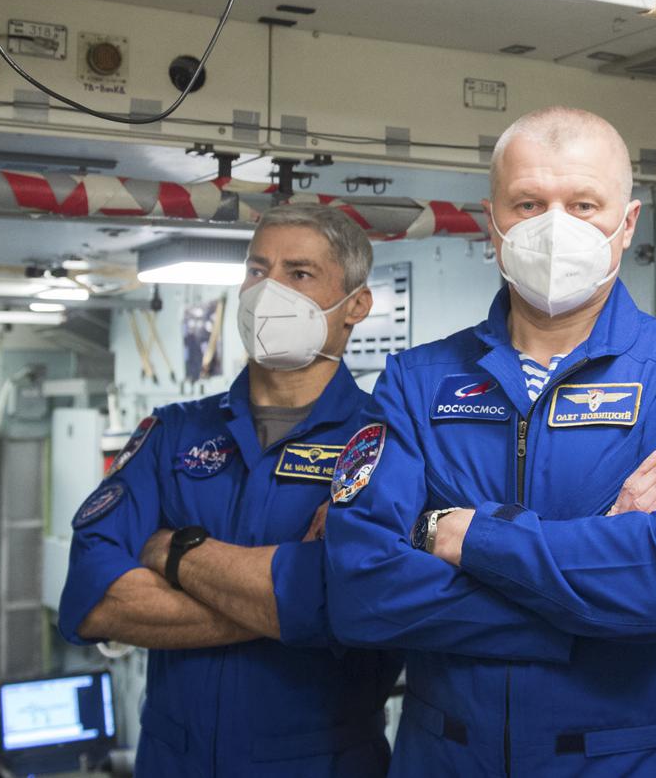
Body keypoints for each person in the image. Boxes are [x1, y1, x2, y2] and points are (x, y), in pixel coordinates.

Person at [321, 106, 656, 776]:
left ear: (627, 224)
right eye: (529, 203)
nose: (557, 227)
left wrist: (468, 536)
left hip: (628, 759)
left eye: (584, 203)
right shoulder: (416, 380)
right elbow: (361, 588)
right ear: (491, 224)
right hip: (446, 756)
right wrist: (594, 582)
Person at [58, 205, 402, 778]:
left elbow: (364, 602)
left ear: (357, 306)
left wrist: (173, 552)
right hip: (173, 759)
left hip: (320, 763)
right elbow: (93, 598)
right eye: (257, 270)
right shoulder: (174, 433)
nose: (268, 292)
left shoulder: (386, 443)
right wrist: (294, 603)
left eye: (298, 274)